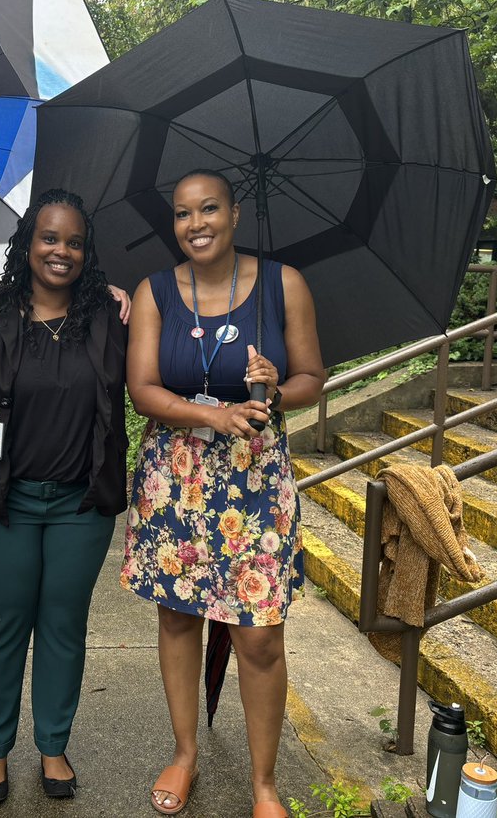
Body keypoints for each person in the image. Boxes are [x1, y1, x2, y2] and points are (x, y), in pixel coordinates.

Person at [121, 168, 325, 818]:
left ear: (235, 213)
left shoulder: (282, 284)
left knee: (259, 635)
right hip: (174, 479)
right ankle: (185, 753)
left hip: (256, 480)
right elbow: (144, 390)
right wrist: (213, 415)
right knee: (179, 617)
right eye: (183, 213)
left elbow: (314, 378)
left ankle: (264, 784)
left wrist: (277, 386)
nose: (196, 223)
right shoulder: (155, 292)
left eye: (209, 208)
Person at [0, 189, 129, 806]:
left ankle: (53, 746)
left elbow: (158, 378)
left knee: (62, 626)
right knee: (3, 624)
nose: (61, 251)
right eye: (49, 238)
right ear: (28, 245)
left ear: (87, 252)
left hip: (81, 505)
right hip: (6, 502)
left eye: (74, 242)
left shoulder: (109, 318)